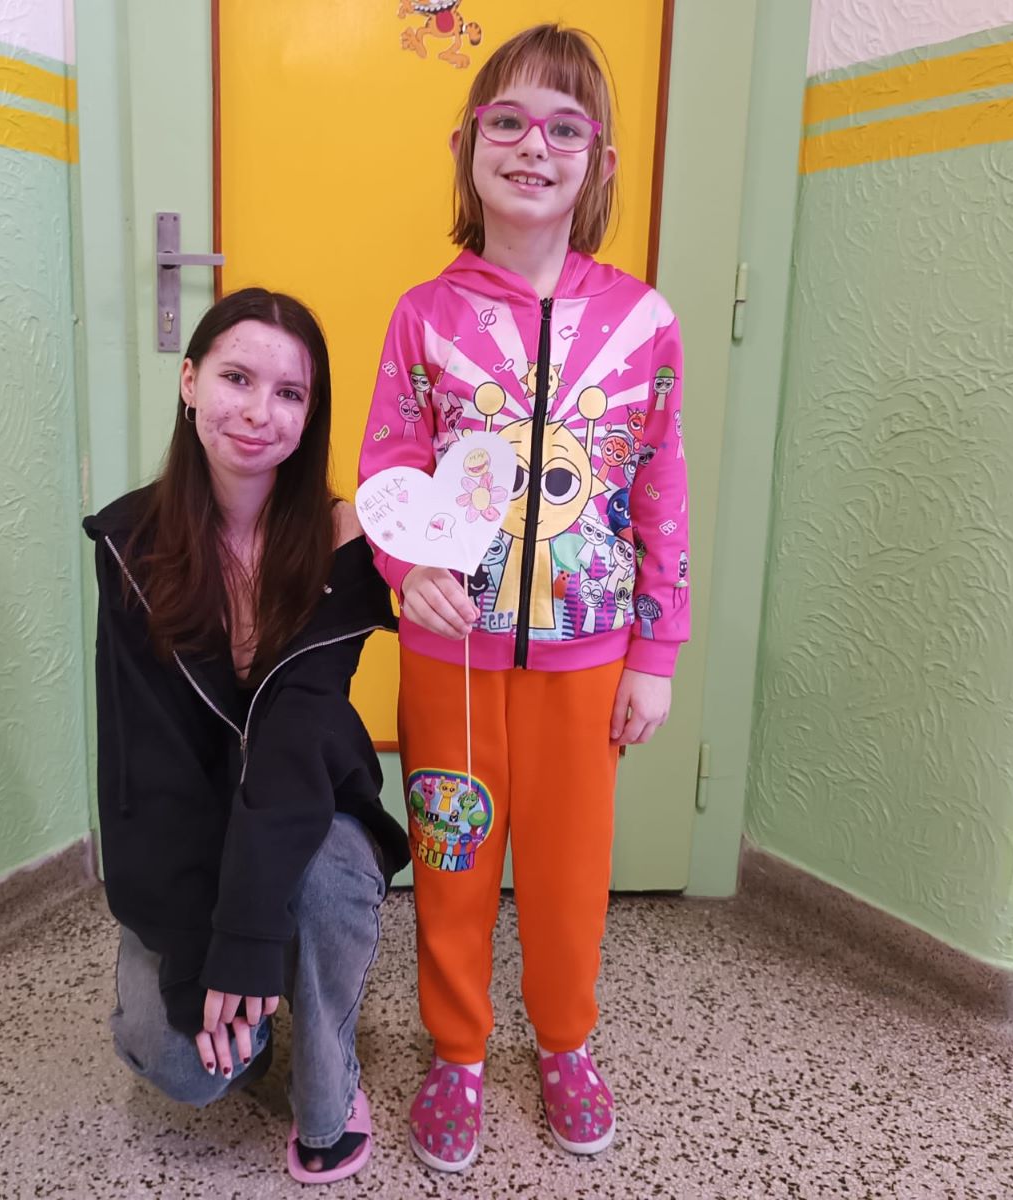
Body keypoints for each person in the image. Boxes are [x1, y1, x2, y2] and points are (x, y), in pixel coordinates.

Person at [356, 24, 691, 1171]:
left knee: (567, 874)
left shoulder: (643, 324)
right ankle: (456, 1050)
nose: (532, 146)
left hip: (587, 662)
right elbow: (390, 467)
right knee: (450, 860)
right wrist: (408, 572)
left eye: (563, 127)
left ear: (599, 162)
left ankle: (564, 1042)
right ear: (466, 146)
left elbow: (660, 489)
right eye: (506, 121)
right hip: (449, 660)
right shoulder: (424, 316)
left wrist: (656, 652)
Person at [84, 288, 409, 1184]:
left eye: (290, 393)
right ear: (189, 382)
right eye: (236, 378)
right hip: (182, 837)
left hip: (307, 803)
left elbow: (294, 744)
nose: (260, 412)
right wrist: (205, 954)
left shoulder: (345, 541)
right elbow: (147, 770)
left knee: (331, 879)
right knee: (187, 1066)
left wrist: (249, 938)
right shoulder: (130, 543)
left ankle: (330, 1078)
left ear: (311, 417)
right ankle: (244, 1010)